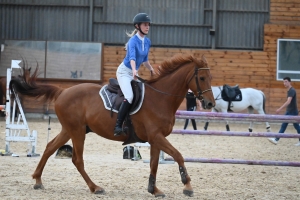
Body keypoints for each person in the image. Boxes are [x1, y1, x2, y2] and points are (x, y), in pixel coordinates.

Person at [114, 13, 154, 137]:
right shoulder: (133, 41)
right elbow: (132, 57)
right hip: (125, 72)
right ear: (137, 26)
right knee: (130, 96)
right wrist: (134, 70)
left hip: (133, 73)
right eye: (145, 25)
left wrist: (152, 69)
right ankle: (118, 126)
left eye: (148, 25)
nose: (147, 27)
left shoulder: (147, 41)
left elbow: (145, 59)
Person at [268, 77, 300, 146]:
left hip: (292, 112)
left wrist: (280, 109)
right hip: (289, 111)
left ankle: (276, 139)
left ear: (289, 82)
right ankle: (276, 139)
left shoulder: (292, 91)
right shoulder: (289, 90)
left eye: (286, 82)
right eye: (283, 82)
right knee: (286, 125)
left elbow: (288, 101)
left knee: (295, 126)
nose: (284, 83)